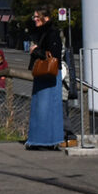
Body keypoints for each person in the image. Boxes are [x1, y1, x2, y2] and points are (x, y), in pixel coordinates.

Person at [25, 8, 64, 150]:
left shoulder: (51, 33)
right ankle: (45, 140)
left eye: (37, 17)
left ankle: (43, 141)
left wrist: (35, 50)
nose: (34, 19)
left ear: (46, 18)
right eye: (34, 16)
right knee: (43, 107)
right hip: (44, 74)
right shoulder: (43, 32)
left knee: (45, 107)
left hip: (48, 74)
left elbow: (54, 55)